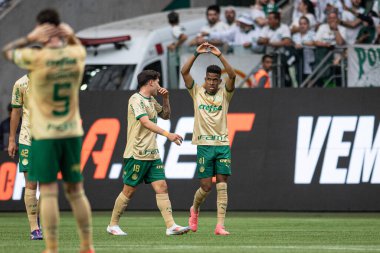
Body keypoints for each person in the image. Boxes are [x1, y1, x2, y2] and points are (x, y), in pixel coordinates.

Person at [2, 9, 95, 253]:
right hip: (66, 133)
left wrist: (29, 37)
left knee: (49, 190)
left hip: (43, 135)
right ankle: (83, 243)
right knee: (73, 190)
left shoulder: (41, 69)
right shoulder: (70, 61)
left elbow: (7, 52)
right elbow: (16, 111)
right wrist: (71, 36)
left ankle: (51, 247)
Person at [106, 70, 190, 236]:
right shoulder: (135, 99)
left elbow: (166, 115)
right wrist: (168, 135)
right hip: (137, 152)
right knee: (129, 190)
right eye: (158, 81)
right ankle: (112, 225)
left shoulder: (152, 100)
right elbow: (145, 122)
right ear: (151, 82)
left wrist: (166, 99)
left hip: (152, 153)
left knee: (162, 187)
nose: (159, 85)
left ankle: (171, 225)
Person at [181, 42, 236, 235]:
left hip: (222, 145)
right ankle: (194, 209)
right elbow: (184, 72)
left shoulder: (225, 94)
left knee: (222, 184)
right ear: (205, 79)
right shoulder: (196, 92)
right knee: (205, 187)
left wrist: (219, 55)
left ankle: (220, 225)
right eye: (209, 79)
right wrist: (196, 54)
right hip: (204, 145)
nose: (212, 83)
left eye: (215, 80)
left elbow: (233, 75)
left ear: (220, 81)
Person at [8, 74, 43, 240]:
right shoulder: (20, 83)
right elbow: (16, 111)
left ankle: (39, 219)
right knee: (31, 183)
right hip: (27, 139)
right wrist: (11, 140)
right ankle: (34, 228)